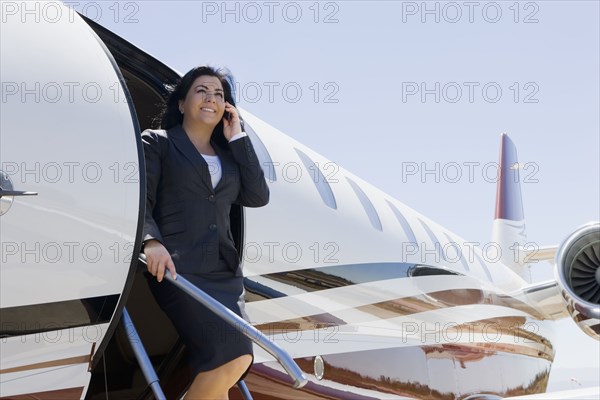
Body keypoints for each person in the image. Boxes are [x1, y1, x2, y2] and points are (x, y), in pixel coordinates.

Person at [141, 66, 269, 399]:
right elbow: (142, 198)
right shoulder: (159, 143)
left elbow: (258, 195)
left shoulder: (229, 158)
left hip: (224, 277)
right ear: (182, 103)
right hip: (178, 270)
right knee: (232, 354)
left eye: (219, 95)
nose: (210, 98)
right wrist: (151, 241)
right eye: (202, 91)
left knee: (230, 369)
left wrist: (238, 137)